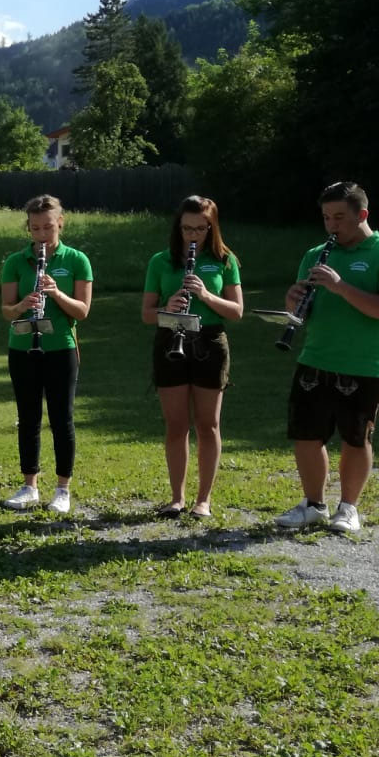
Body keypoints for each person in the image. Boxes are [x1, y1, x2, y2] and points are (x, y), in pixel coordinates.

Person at [275, 181, 379, 535]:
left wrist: (340, 286)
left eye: (339, 217)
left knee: (355, 438)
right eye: (325, 217)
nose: (331, 225)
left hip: (365, 363)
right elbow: (304, 313)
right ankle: (313, 505)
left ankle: (348, 508)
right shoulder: (315, 254)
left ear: (362, 215)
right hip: (315, 356)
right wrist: (293, 303)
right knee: (306, 434)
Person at [140, 197, 243, 519]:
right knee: (176, 425)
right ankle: (176, 497)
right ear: (178, 227)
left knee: (208, 424)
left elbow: (237, 312)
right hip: (171, 337)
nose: (193, 234)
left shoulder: (224, 260)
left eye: (200, 228)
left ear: (211, 227)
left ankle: (204, 500)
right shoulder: (161, 261)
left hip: (210, 341)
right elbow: (146, 314)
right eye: (187, 228)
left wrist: (205, 295)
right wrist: (166, 309)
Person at [0, 195, 93, 515]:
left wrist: (56, 293)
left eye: (48, 227)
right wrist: (23, 305)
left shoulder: (77, 259)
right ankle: (29, 486)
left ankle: (63, 489)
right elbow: (7, 311)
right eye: (35, 228)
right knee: (28, 417)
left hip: (61, 348)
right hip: (23, 347)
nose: (41, 234)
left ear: (60, 223)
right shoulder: (15, 261)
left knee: (61, 418)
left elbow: (81, 311)